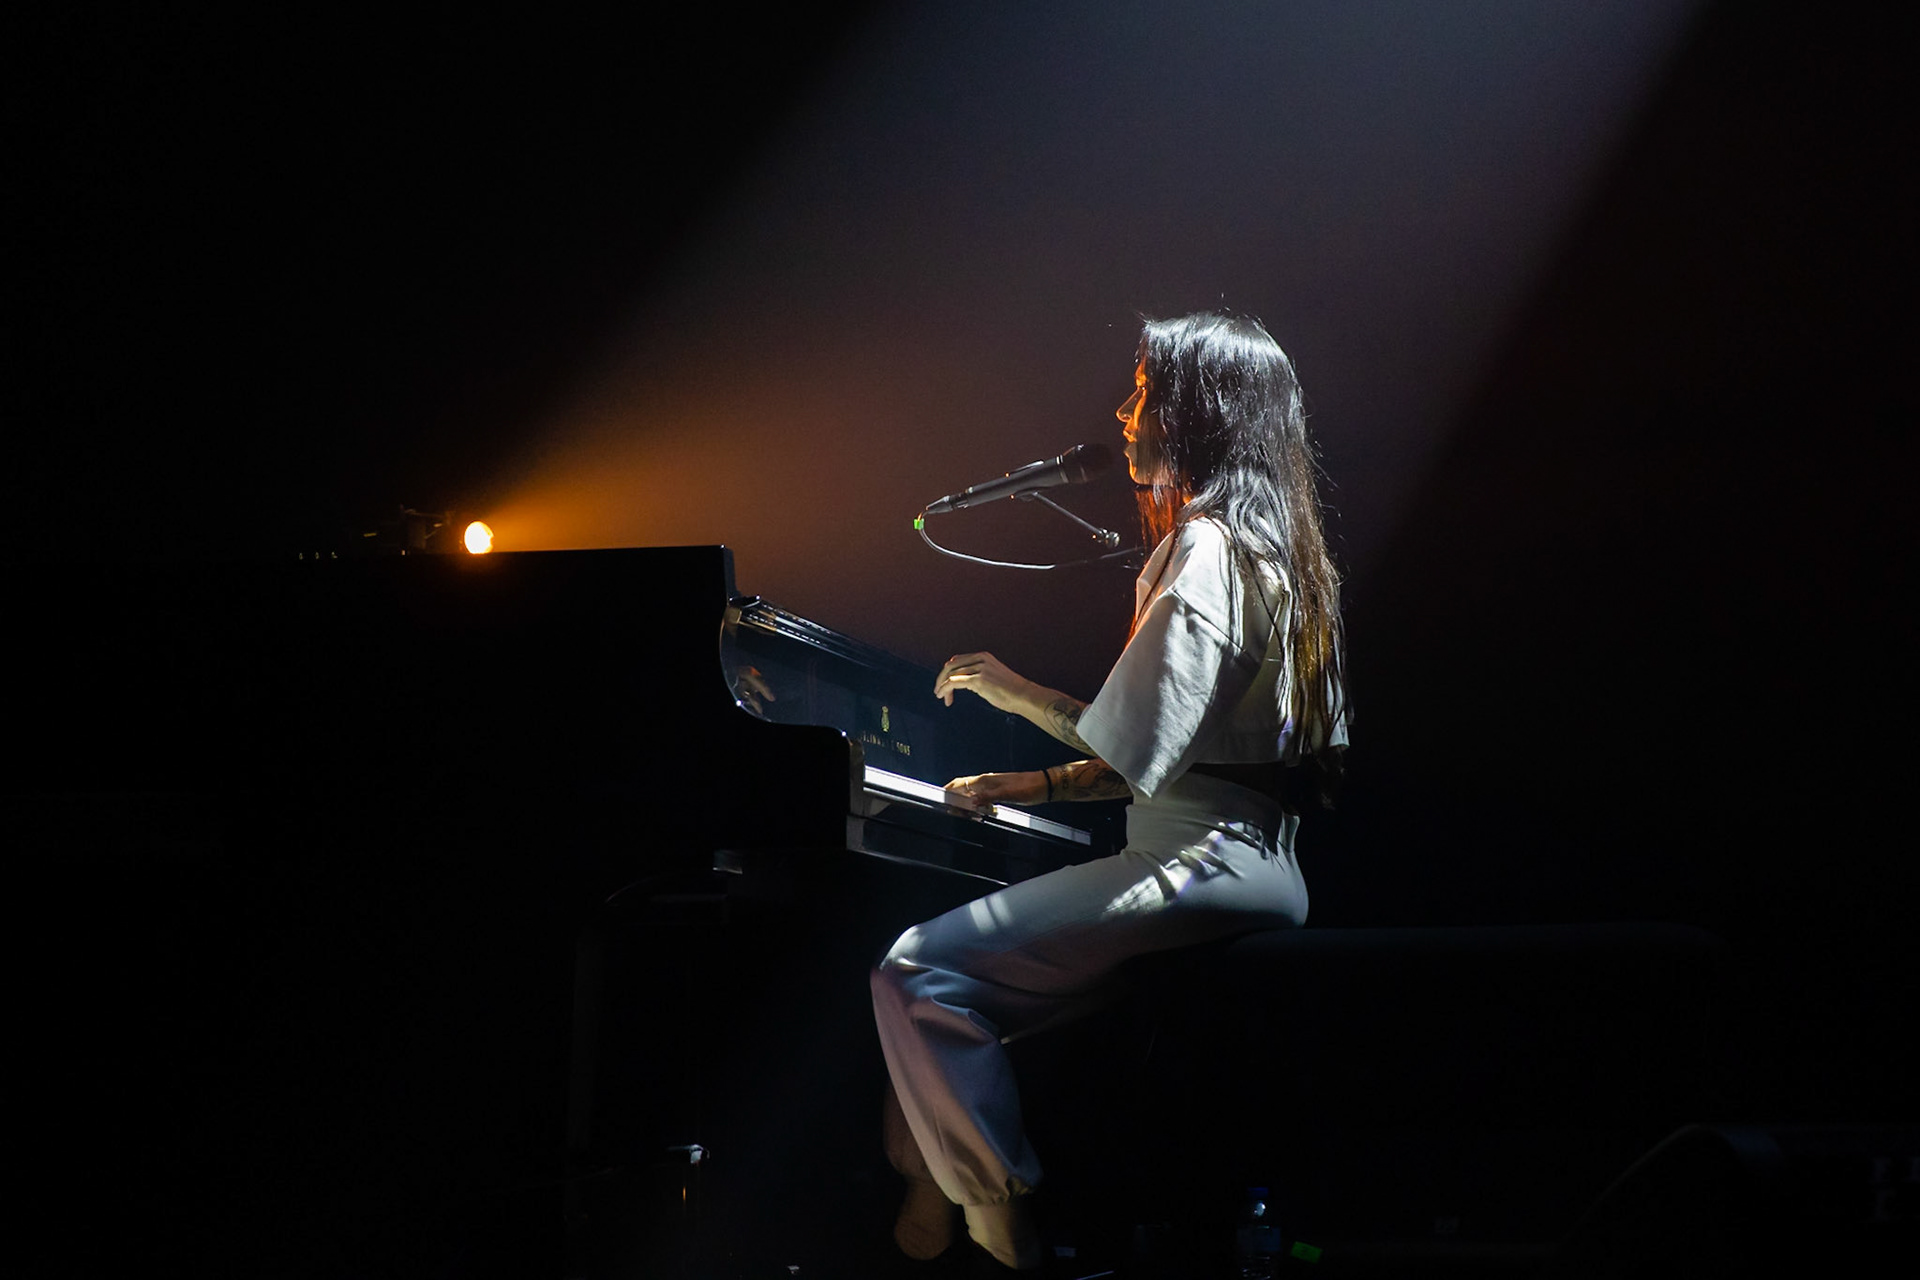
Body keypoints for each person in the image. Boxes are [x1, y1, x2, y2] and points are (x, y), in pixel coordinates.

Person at [870, 310, 1349, 1270]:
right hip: (1261, 867)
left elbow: (1136, 753)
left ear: (1202, 414)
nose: (1123, 413)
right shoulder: (1288, 555)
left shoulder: (1208, 548)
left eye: (1143, 393)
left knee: (914, 973)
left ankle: (1000, 1223)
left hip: (1193, 866)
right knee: (949, 1037)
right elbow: (1200, 750)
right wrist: (1039, 783)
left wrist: (1009, 690)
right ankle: (943, 1185)